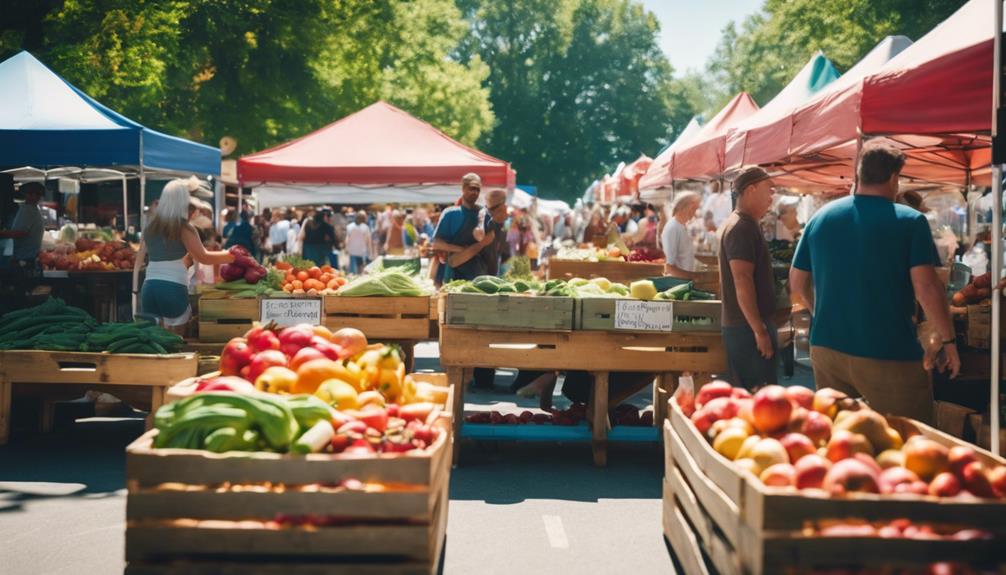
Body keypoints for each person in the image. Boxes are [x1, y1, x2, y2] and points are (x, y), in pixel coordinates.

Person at [789, 139, 959, 423]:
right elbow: (927, 287)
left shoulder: (821, 217)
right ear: (894, 178)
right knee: (908, 439)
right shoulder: (911, 221)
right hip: (887, 350)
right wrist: (948, 340)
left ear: (858, 174)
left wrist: (820, 314)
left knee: (839, 436)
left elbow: (796, 282)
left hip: (826, 348)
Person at [133, 179, 233, 330]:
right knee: (176, 340)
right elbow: (203, 257)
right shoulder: (184, 228)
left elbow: (139, 259)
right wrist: (232, 255)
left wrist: (134, 289)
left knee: (154, 338)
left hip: (149, 287)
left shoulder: (150, 227)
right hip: (172, 288)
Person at [719, 167, 779, 389]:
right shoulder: (741, 227)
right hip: (746, 330)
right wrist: (759, 330)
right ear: (751, 189)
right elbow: (742, 279)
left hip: (745, 327)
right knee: (758, 398)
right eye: (769, 189)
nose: (772, 196)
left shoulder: (742, 223)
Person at [432, 173, 489, 282]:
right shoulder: (450, 214)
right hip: (454, 275)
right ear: (463, 188)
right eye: (472, 188)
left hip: (479, 276)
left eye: (478, 189)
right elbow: (436, 244)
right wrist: (463, 250)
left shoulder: (484, 214)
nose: (475, 192)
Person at [0, 182, 45, 266]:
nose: (28, 196)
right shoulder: (31, 209)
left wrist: (2, 233)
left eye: (32, 194)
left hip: (24, 259)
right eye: (28, 193)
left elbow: (20, 232)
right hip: (28, 257)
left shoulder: (28, 210)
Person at [662, 191, 701, 279]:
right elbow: (669, 266)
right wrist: (693, 277)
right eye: (695, 209)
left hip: (684, 282)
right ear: (689, 206)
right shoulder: (673, 227)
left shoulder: (681, 226)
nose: (695, 213)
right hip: (677, 284)